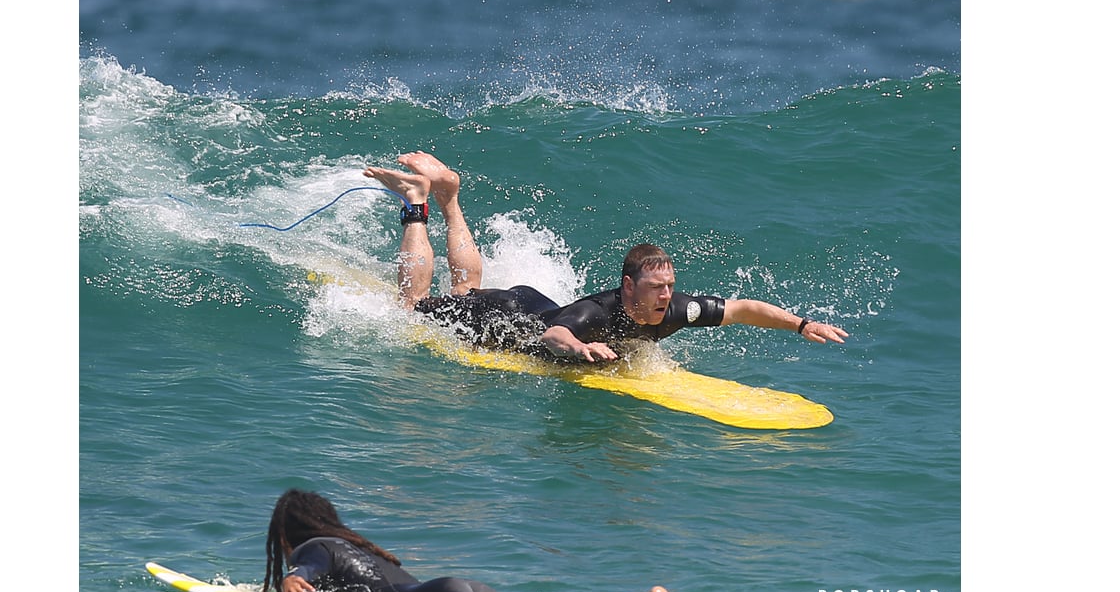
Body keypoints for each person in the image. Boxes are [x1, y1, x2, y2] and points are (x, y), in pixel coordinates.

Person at [363, 151, 848, 362]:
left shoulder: (677, 309)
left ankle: (450, 197)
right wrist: (580, 349)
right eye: (657, 288)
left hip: (531, 301)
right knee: (412, 308)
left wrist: (802, 325)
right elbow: (554, 333)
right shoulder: (596, 312)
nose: (667, 296)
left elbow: (742, 309)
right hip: (505, 318)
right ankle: (417, 201)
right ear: (627, 286)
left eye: (670, 287)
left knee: (465, 287)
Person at [263, 488, 684, 592]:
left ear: (287, 537)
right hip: (451, 588)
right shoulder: (357, 547)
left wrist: (294, 578)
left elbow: (311, 565)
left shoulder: (315, 547)